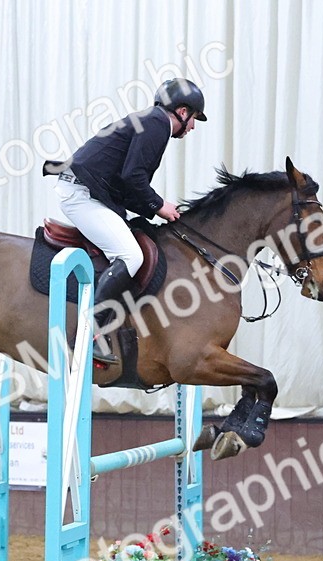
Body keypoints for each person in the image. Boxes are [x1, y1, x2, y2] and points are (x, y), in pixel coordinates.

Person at [44, 78, 207, 363]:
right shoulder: (158, 123)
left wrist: (158, 210)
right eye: (194, 119)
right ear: (182, 112)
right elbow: (133, 178)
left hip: (90, 191)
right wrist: (159, 206)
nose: (192, 127)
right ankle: (88, 333)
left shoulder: (151, 121)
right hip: (81, 193)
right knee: (130, 256)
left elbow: (126, 183)